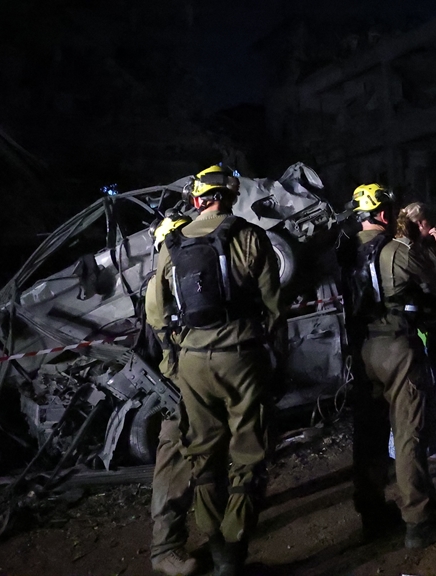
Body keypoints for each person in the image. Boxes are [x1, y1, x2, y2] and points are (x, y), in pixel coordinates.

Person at [145, 165, 284, 576]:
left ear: (197, 198)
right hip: (241, 356)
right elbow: (274, 308)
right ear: (230, 196)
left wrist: (173, 360)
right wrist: (275, 360)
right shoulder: (250, 235)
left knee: (203, 453)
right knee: (248, 453)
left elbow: (156, 312)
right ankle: (234, 545)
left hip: (191, 361)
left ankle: (213, 539)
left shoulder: (171, 245)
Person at [345, 185, 436, 549]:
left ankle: (371, 514)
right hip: (396, 346)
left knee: (368, 437)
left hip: (360, 350)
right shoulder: (395, 251)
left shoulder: (342, 252)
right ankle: (418, 521)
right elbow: (434, 283)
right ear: (384, 215)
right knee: (408, 433)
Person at [145, 212, 198, 576]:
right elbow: (159, 335)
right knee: (176, 454)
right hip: (180, 380)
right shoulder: (161, 283)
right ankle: (165, 549)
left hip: (200, 373)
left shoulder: (190, 273)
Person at [393, 201, 436, 462]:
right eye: (427, 221)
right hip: (419, 328)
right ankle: (423, 441)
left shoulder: (427, 248)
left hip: (434, 322)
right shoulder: (407, 252)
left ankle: (431, 436)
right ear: (419, 223)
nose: (431, 225)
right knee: (430, 386)